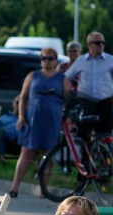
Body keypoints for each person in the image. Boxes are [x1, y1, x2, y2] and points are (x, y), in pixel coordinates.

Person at [8, 48, 72, 198]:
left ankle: (44, 188)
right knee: (26, 153)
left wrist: (67, 116)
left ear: (56, 60)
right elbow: (23, 97)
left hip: (52, 120)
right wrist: (21, 116)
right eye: (44, 58)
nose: (47, 61)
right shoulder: (33, 76)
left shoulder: (62, 79)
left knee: (47, 154)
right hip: (32, 119)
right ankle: (15, 187)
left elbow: (69, 99)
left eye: (50, 58)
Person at [64, 31, 113, 136]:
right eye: (98, 43)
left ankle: (102, 152)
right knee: (84, 137)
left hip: (104, 103)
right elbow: (66, 78)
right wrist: (70, 93)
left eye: (103, 43)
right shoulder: (81, 61)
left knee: (104, 136)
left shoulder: (111, 60)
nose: (101, 45)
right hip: (85, 104)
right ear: (89, 44)